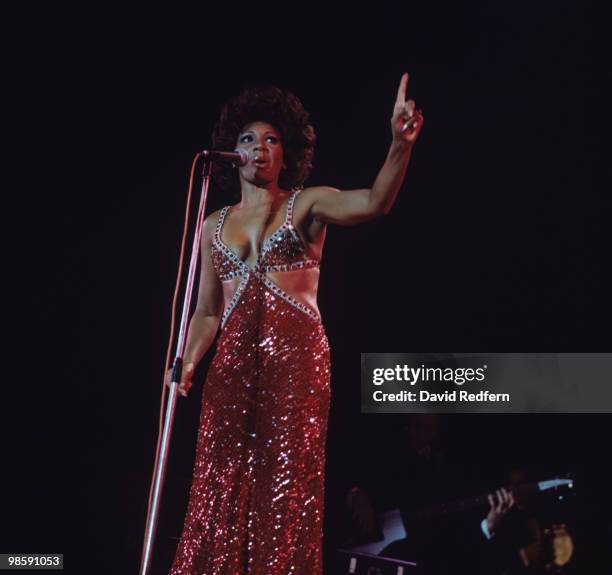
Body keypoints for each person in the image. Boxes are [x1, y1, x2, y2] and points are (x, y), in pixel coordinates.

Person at [166, 73, 424, 574]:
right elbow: (207, 310)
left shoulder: (306, 203)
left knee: (283, 490)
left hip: (296, 366)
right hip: (234, 370)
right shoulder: (212, 224)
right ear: (231, 151)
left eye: (271, 140)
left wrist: (399, 146)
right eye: (248, 139)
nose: (259, 148)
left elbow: (374, 201)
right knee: (220, 485)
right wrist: (188, 360)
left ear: (287, 152)